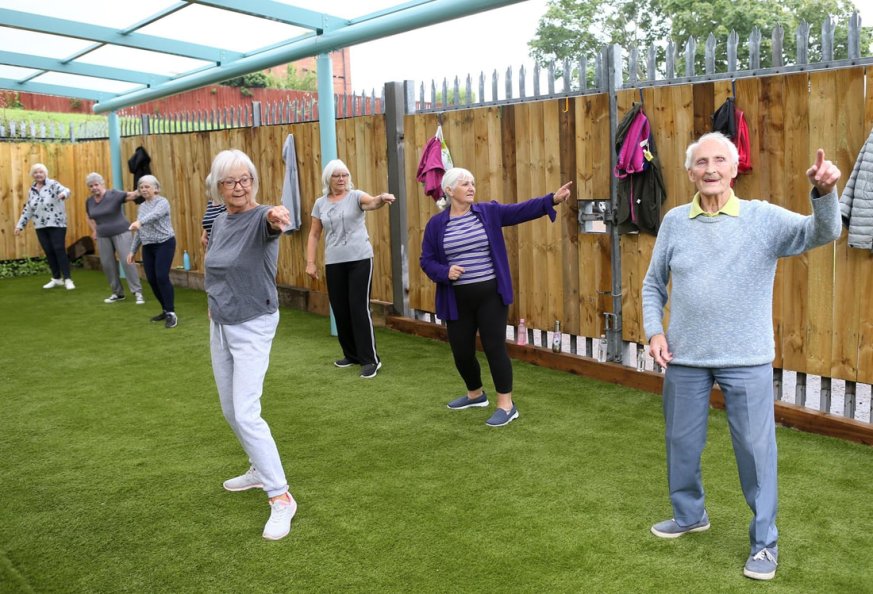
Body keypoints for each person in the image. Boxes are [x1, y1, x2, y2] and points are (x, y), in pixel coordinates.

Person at [641, 132, 842, 581]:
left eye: (719, 161)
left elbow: (823, 231)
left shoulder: (761, 218)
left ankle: (764, 544)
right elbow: (653, 283)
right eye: (701, 162)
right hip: (685, 357)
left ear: (734, 169)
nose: (710, 169)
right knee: (680, 443)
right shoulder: (674, 222)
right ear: (690, 172)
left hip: (747, 358)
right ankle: (690, 514)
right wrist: (654, 330)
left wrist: (824, 194)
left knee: (755, 452)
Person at [420, 167, 573, 427]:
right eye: (465, 184)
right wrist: (445, 272)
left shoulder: (488, 212)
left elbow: (520, 211)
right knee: (461, 352)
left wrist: (552, 200)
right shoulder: (436, 225)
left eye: (472, 183)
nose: (471, 187)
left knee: (494, 348)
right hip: (456, 300)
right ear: (449, 190)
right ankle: (475, 395)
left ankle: (506, 405)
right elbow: (427, 260)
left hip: (490, 296)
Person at [204, 149, 296, 541]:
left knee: (246, 411)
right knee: (231, 410)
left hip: (253, 322)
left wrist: (277, 216)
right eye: (230, 181)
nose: (239, 187)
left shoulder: (261, 218)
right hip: (221, 323)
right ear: (218, 187)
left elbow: (274, 221)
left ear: (254, 182)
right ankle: (258, 469)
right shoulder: (219, 220)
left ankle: (281, 496)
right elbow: (216, 269)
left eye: (246, 179)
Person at [305, 159, 395, 379]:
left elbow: (371, 203)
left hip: (359, 259)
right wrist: (310, 262)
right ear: (328, 179)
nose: (341, 179)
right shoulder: (320, 203)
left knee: (358, 307)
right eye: (336, 176)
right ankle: (352, 355)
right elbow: (314, 234)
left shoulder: (356, 196)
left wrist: (381, 198)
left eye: (344, 175)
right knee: (340, 308)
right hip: (334, 262)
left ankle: (370, 359)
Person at [85, 172, 144, 304]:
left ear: (102, 184)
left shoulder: (114, 194)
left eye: (96, 184)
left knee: (127, 261)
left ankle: (137, 292)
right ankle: (117, 293)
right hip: (103, 235)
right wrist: (94, 230)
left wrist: (143, 185)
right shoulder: (89, 201)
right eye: (91, 186)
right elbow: (89, 216)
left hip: (121, 232)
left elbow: (133, 195)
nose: (94, 188)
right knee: (107, 264)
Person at [126, 175, 177, 328]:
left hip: (164, 244)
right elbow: (139, 231)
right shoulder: (141, 207)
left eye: (147, 186)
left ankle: (171, 313)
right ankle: (165, 309)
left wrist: (139, 222)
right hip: (148, 246)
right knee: (152, 279)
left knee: (161, 277)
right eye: (141, 187)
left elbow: (155, 216)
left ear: (156, 189)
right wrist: (132, 251)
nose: (144, 189)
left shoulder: (162, 202)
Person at [14, 163, 75, 290]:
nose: (38, 174)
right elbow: (28, 209)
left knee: (59, 249)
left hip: (57, 223)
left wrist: (63, 195)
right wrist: (20, 226)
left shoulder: (53, 184)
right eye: (36, 172)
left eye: (41, 172)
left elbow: (67, 190)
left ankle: (68, 279)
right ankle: (57, 278)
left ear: (45, 173)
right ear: (32, 175)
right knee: (48, 251)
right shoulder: (32, 190)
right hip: (40, 226)